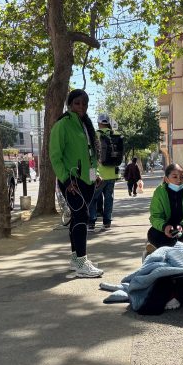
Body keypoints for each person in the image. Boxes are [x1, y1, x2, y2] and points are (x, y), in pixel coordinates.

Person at [49, 89, 104, 278]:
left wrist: (94, 173)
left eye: (84, 104)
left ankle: (75, 259)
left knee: (77, 217)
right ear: (70, 105)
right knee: (82, 216)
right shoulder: (62, 125)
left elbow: (90, 154)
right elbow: (55, 157)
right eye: (77, 103)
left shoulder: (85, 124)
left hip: (87, 181)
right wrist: (66, 179)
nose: (81, 107)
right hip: (71, 181)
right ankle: (82, 262)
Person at [88, 114, 117, 231]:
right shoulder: (115, 134)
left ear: (99, 122)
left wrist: (91, 174)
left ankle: (91, 222)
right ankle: (107, 223)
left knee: (92, 198)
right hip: (112, 172)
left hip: (96, 172)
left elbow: (90, 155)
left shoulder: (94, 135)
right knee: (109, 198)